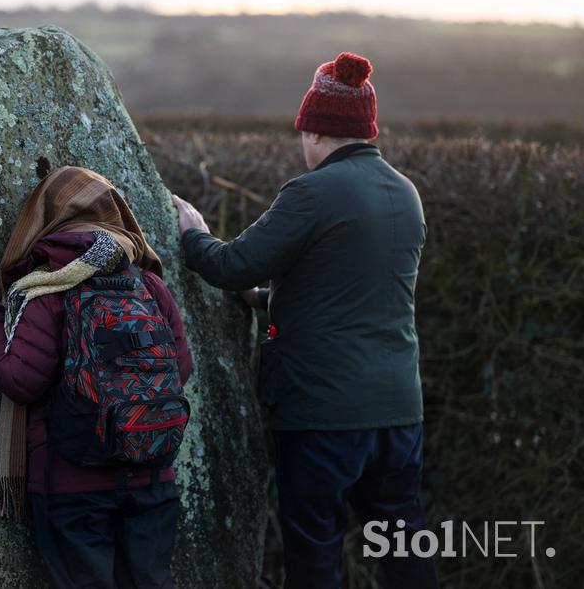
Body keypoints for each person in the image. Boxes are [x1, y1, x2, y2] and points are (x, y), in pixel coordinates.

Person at [173, 53, 438, 589]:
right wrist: (269, 299)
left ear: (314, 131)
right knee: (404, 546)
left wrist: (192, 232)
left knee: (315, 553)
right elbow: (353, 293)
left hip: (324, 415)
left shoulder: (311, 193)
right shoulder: (405, 194)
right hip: (399, 413)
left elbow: (231, 264)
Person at [0, 166, 192, 589]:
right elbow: (181, 369)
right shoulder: (148, 285)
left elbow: (20, 380)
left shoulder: (48, 289)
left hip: (72, 487)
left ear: (45, 220)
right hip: (152, 479)